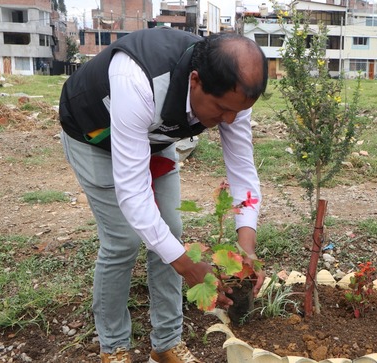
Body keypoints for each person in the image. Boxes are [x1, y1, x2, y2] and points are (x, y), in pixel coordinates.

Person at [59, 27, 268, 363]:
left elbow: (243, 172)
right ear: (195, 81)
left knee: (170, 232)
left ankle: (166, 344)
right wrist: (187, 267)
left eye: (237, 112)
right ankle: (113, 348)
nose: (228, 120)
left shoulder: (233, 99)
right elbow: (133, 193)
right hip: (94, 135)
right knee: (123, 241)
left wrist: (247, 247)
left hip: (153, 139)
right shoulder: (136, 78)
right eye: (221, 109)